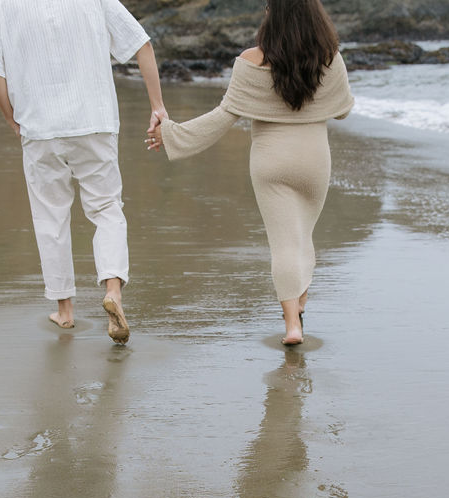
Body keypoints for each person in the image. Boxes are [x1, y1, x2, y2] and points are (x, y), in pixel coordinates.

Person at [147, 0, 353, 346]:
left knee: (283, 242)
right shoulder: (329, 56)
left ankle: (292, 325)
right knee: (302, 236)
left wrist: (170, 134)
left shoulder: (249, 61)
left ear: (272, 16)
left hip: (271, 161)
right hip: (314, 159)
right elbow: (344, 109)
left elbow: (223, 117)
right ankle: (299, 302)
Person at [0, 0, 167, 344]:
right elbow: (141, 43)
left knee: (50, 216)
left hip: (39, 125)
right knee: (106, 208)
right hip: (95, 120)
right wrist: (157, 107)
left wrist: (10, 117)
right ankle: (113, 292)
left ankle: (65, 310)